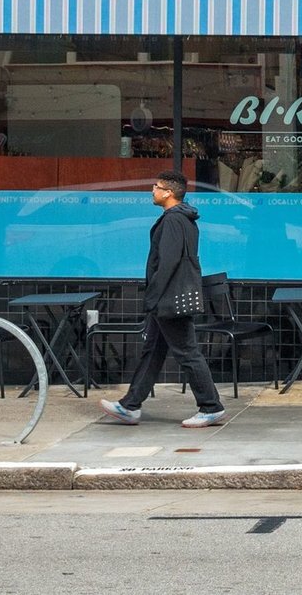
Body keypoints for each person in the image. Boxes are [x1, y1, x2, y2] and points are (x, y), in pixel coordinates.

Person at [97, 171, 225, 429]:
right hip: (170, 296)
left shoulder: (174, 220)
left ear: (168, 193)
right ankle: (130, 406)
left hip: (169, 298)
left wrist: (153, 296)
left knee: (187, 352)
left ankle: (211, 406)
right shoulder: (183, 218)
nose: (152, 190)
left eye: (156, 187)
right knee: (153, 352)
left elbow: (168, 262)